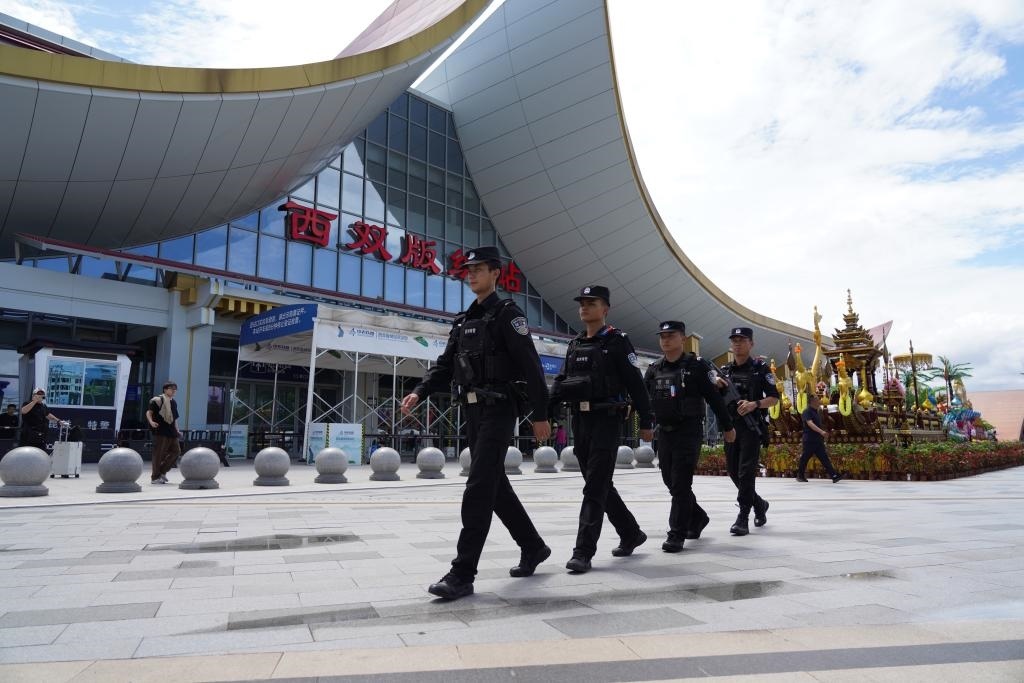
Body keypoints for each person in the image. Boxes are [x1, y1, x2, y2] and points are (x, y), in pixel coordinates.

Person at [401, 246, 551, 600]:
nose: (471, 274)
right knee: (495, 486)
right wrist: (420, 391)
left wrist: (541, 414)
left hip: (500, 408)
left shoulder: (508, 315)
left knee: (479, 486)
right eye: (468, 269)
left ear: (495, 273)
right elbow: (444, 365)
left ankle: (462, 573)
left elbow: (531, 365)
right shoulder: (463, 321)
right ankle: (533, 546)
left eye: (479, 269)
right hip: (471, 411)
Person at [551, 285, 654, 574]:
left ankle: (583, 551)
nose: (584, 307)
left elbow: (636, 383)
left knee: (595, 485)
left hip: (607, 419)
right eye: (581, 303)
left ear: (605, 309)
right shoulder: (575, 344)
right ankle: (630, 532)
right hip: (580, 420)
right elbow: (561, 380)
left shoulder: (618, 341)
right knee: (599, 483)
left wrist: (647, 421)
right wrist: (546, 411)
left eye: (591, 303)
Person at [644, 321, 736, 552]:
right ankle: (698, 517)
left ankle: (677, 533)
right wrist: (645, 424)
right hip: (665, 432)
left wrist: (727, 427)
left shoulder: (697, 366)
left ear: (682, 339)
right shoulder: (654, 368)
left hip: (689, 430)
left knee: (681, 483)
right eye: (662, 336)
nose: (665, 340)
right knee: (670, 481)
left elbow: (714, 399)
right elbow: (644, 400)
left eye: (671, 335)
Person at [717, 327, 779, 536]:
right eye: (734, 340)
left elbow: (774, 398)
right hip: (731, 427)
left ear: (751, 344)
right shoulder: (725, 371)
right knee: (733, 472)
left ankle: (743, 516)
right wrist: (716, 387)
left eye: (742, 340)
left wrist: (754, 404)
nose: (737, 344)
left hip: (751, 427)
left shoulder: (760, 368)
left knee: (745, 472)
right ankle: (759, 504)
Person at [797, 393, 842, 483]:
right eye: (817, 400)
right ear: (812, 401)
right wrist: (821, 432)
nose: (819, 401)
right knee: (805, 458)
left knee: (824, 458)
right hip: (810, 439)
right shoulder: (807, 411)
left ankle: (834, 475)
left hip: (817, 439)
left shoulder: (816, 411)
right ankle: (800, 475)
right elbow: (810, 423)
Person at [147, 381, 181, 485]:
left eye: (175, 389)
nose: (174, 391)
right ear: (165, 389)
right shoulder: (157, 400)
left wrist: (177, 429)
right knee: (159, 454)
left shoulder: (173, 402)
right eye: (171, 389)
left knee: (176, 451)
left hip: (171, 430)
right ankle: (155, 477)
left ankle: (162, 471)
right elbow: (149, 412)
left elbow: (174, 418)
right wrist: (151, 422)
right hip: (160, 430)